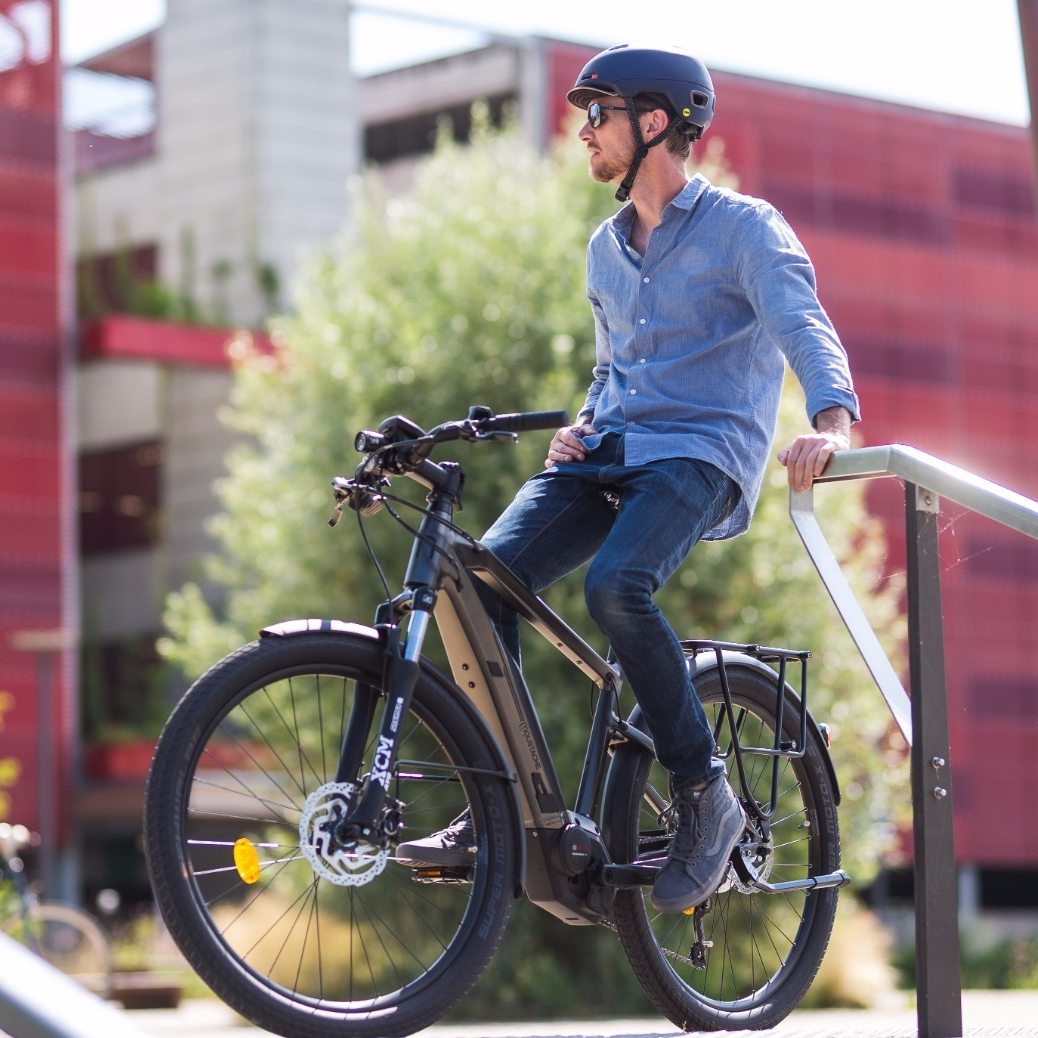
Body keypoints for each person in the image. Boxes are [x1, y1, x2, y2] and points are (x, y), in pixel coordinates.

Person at [397, 44, 860, 914]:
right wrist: (581, 422)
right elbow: (614, 372)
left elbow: (803, 320)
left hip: (698, 456)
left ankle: (705, 797)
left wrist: (829, 421)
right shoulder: (604, 251)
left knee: (617, 587)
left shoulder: (743, 227)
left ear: (655, 123)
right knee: (478, 588)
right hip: (609, 453)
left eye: (597, 115)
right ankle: (494, 803)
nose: (583, 134)